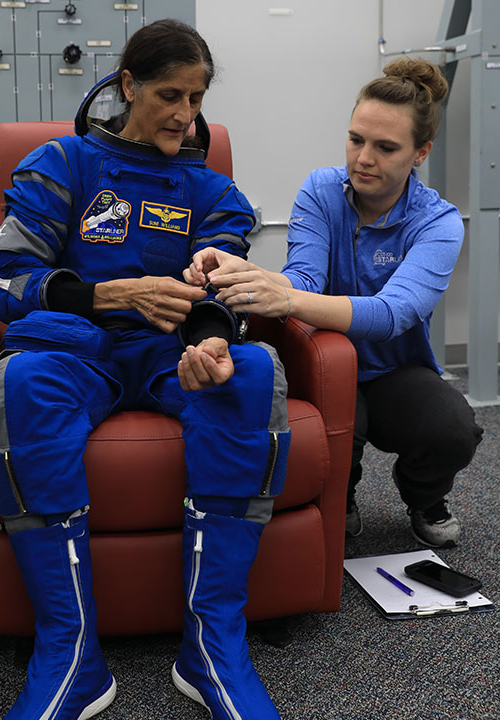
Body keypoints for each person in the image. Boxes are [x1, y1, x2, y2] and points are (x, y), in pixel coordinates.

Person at [0, 19, 290, 720]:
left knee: (251, 374)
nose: (186, 115)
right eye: (169, 95)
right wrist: (116, 294)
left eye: (197, 97)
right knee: (21, 381)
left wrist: (212, 340)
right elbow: (8, 283)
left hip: (170, 355)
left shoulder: (213, 190)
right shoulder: (62, 164)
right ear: (127, 87)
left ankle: (211, 646)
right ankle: (72, 660)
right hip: (73, 350)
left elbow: (226, 288)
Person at [185, 58, 483, 549]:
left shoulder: (439, 223)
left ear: (421, 152)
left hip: (394, 371)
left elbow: (391, 314)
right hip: (325, 357)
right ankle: (341, 495)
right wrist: (241, 270)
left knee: (452, 429)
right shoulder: (322, 191)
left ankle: (423, 496)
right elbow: (303, 278)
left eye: (386, 147)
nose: (363, 158)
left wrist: (282, 296)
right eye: (356, 139)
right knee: (342, 428)